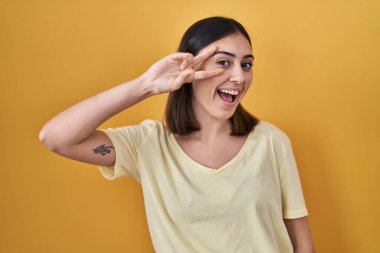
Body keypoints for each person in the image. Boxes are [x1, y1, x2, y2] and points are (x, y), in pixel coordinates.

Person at [39, 16, 315, 253]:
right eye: (223, 62)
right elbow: (56, 138)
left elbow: (302, 245)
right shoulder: (147, 145)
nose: (239, 78)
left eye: (246, 64)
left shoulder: (270, 141)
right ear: (190, 70)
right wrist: (145, 85)